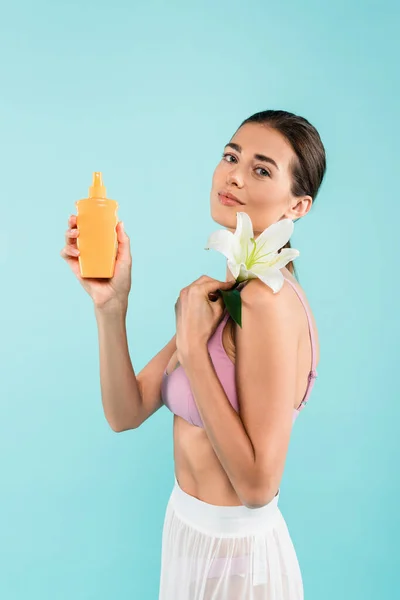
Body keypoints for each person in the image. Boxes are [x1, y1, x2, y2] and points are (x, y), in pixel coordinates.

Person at [60, 109, 325, 599]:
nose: (235, 175)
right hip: (186, 534)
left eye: (262, 169)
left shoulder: (265, 302)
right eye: (231, 156)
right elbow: (125, 412)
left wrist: (194, 354)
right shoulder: (227, 292)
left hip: (239, 564)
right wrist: (111, 304)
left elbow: (258, 487)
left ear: (298, 206)